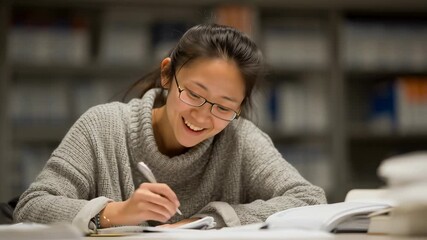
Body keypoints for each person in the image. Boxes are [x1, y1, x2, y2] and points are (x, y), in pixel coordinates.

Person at [14, 23, 326, 233]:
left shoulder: (240, 139)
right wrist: (117, 213)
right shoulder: (103, 127)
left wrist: (206, 221)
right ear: (167, 75)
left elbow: (309, 199)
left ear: (239, 107)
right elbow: (31, 207)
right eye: (193, 94)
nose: (203, 117)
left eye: (223, 106)